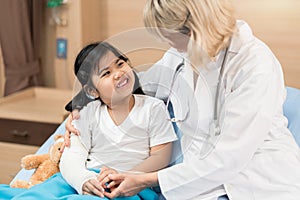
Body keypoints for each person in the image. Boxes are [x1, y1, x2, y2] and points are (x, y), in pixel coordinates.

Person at [64, 0, 300, 200]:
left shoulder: (254, 64)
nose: (168, 44)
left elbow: (229, 158)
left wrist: (144, 180)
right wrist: (80, 108)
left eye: (169, 36)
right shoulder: (180, 54)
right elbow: (140, 84)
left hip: (258, 182)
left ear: (193, 29)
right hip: (195, 182)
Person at [0, 41, 177, 200]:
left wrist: (126, 175)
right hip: (83, 176)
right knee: (32, 195)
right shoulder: (87, 114)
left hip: (129, 185)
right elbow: (72, 157)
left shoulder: (152, 108)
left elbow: (160, 156)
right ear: (92, 91)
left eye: (120, 64)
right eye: (106, 73)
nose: (118, 73)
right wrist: (82, 179)